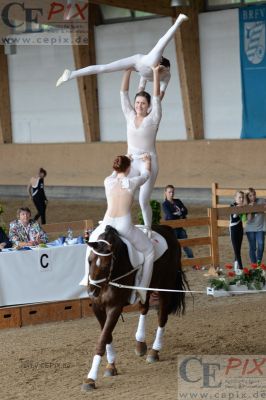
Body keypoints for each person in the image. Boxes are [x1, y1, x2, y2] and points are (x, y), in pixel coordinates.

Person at [56, 13, 188, 100]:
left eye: (163, 71)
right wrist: (179, 22)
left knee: (106, 70)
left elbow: (150, 91)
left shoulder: (166, 76)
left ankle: (71, 74)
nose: (161, 71)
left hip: (139, 68)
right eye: (161, 68)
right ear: (160, 64)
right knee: (104, 68)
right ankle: (71, 74)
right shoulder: (154, 61)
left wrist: (144, 104)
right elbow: (163, 41)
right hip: (139, 60)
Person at [80, 154, 154, 304]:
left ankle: (86, 277)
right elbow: (146, 175)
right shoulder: (132, 182)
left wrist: (125, 159)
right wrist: (147, 162)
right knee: (150, 251)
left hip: (106, 222)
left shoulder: (108, 181)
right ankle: (142, 289)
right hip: (123, 224)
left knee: (91, 245)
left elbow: (113, 173)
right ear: (128, 168)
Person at [120, 64, 162, 230]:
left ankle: (148, 229)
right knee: (125, 194)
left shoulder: (153, 118)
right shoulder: (129, 115)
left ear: (148, 105)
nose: (139, 106)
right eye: (137, 102)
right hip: (131, 161)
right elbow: (123, 94)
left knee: (143, 200)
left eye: (143, 103)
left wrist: (156, 74)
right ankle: (124, 225)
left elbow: (157, 96)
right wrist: (127, 71)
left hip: (148, 162)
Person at [162, 185, 194, 260]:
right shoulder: (165, 204)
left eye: (173, 192)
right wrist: (180, 213)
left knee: (186, 245)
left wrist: (177, 213)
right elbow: (170, 216)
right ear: (166, 193)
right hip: (172, 229)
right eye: (169, 192)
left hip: (180, 227)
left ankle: (193, 262)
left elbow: (186, 211)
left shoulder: (178, 201)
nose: (171, 194)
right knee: (174, 247)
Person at [245, 187, 265, 266]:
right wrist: (251, 208)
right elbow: (249, 219)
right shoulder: (245, 205)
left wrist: (257, 206)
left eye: (254, 194)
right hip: (250, 229)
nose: (253, 197)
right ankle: (254, 264)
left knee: (261, 244)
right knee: (252, 247)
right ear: (247, 196)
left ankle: (259, 263)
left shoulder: (261, 200)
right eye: (250, 195)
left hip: (261, 228)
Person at [229, 191, 246, 271]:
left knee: (238, 249)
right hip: (233, 228)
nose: (241, 199)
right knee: (236, 249)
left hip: (240, 228)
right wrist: (240, 208)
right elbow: (234, 217)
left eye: (242, 197)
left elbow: (244, 218)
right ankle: (241, 268)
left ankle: (236, 268)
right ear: (235, 198)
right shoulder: (232, 205)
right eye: (239, 197)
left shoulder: (243, 206)